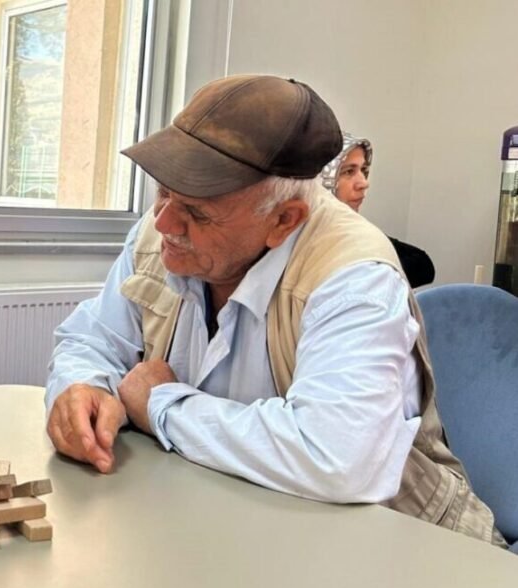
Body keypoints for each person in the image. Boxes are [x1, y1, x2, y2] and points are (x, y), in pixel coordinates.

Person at [45, 74, 505, 547]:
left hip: (414, 556)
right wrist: (82, 385)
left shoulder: (355, 277)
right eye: (162, 192)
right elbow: (91, 339)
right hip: (239, 530)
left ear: (284, 220)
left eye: (197, 213)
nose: (164, 222)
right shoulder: (163, 232)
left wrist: (160, 404)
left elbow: (334, 458)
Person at [320, 132, 435, 287]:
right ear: (320, 178)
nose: (363, 183)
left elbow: (423, 266)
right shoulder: (298, 242)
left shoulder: (355, 232)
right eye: (348, 171)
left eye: (364, 170)